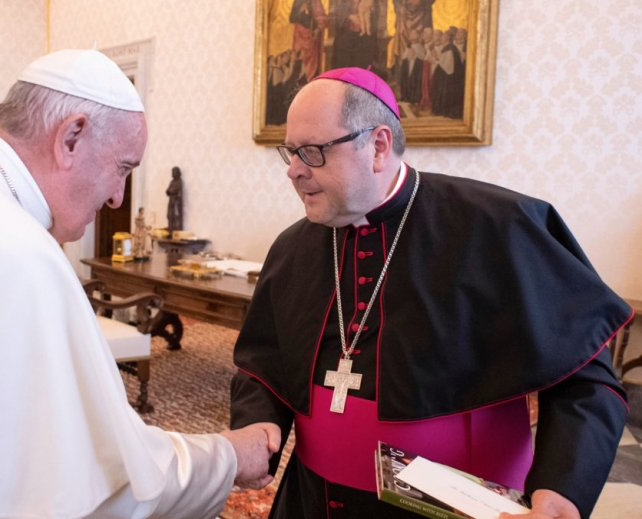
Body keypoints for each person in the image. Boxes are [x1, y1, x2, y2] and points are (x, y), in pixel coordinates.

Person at [229, 66, 631, 519]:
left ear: (378, 146)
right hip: (314, 501)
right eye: (291, 152)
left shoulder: (498, 227)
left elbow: (586, 383)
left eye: (313, 152)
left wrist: (561, 494)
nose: (294, 171)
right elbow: (263, 365)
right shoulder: (293, 247)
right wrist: (257, 423)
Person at [0, 49, 280, 519]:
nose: (116, 196)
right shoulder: (18, 252)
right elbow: (102, 488)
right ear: (71, 137)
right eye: (123, 168)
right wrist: (230, 457)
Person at [166, 165, 184, 234]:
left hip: (176, 203)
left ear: (178, 173)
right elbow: (168, 191)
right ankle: (170, 231)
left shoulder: (179, 181)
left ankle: (176, 231)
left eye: (174, 172)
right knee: (169, 215)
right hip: (171, 202)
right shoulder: (172, 182)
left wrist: (172, 191)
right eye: (172, 172)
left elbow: (178, 191)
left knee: (176, 216)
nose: (173, 173)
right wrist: (170, 191)